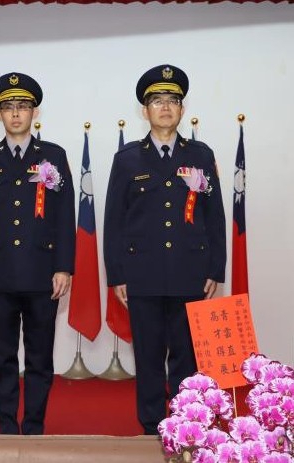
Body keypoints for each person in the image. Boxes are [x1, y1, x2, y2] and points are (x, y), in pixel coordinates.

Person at [103, 64, 226, 435]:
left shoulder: (200, 155)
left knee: (187, 357)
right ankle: (152, 428)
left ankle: (187, 426)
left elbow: (215, 216)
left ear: (182, 109)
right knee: (149, 356)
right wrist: (117, 274)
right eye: (157, 100)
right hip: (143, 275)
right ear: (145, 111)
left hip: (191, 272)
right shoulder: (127, 159)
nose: (166, 107)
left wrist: (215, 268)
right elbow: (114, 221)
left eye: (172, 100)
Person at [0, 72, 76, 435]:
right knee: (3, 357)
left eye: (23, 106)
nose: (16, 113)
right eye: (8, 107)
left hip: (43, 274)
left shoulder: (53, 155)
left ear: (35, 112)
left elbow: (65, 216)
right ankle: (7, 426)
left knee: (40, 358)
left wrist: (64, 267)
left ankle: (34, 426)